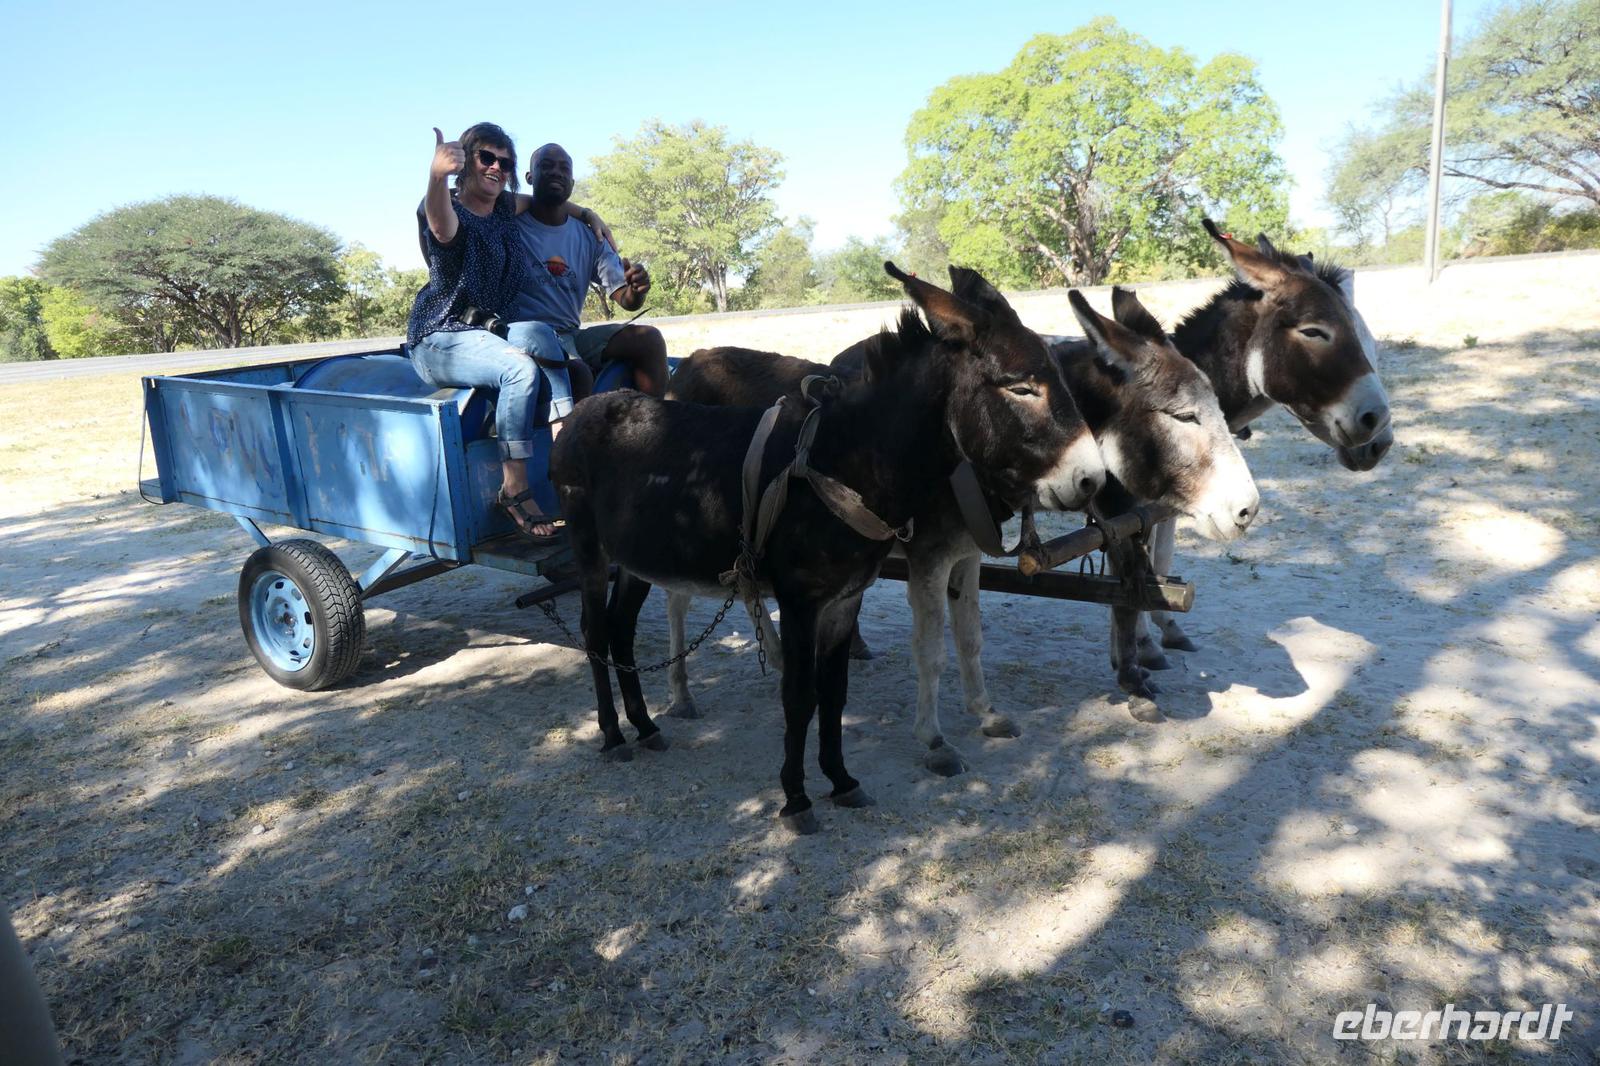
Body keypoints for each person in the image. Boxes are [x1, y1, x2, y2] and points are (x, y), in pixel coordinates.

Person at [406, 123, 610, 541]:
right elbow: (440, 224)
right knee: (519, 371)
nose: (497, 167)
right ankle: (514, 486)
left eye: (506, 162)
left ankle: (565, 447)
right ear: (466, 162)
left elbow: (547, 202)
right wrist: (435, 176)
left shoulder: (502, 209)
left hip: (488, 330)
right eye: (487, 158)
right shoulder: (451, 210)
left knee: (540, 333)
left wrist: (589, 213)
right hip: (440, 336)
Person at [507, 143, 668, 398]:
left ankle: (658, 427)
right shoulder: (509, 225)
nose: (556, 173)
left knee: (650, 339)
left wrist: (636, 289)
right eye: (546, 166)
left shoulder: (590, 234)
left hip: (570, 334)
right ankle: (581, 434)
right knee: (576, 372)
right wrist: (586, 211)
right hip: (524, 336)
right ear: (529, 177)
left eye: (564, 168)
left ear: (571, 181)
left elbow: (625, 299)